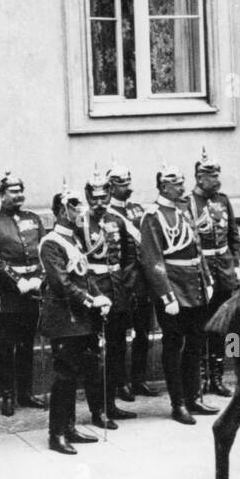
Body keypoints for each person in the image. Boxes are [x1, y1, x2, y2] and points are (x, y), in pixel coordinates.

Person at [140, 164, 217, 424]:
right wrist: (166, 295)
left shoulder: (185, 209)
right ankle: (178, 403)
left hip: (195, 286)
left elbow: (197, 248)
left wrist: (206, 278)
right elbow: (153, 260)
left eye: (183, 182)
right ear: (163, 186)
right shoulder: (153, 215)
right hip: (173, 289)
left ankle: (194, 396)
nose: (182, 187)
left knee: (196, 343)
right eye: (176, 183)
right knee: (173, 346)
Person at [38, 189, 111, 453]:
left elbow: (86, 276)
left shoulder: (75, 240)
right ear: (60, 211)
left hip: (79, 317)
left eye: (80, 205)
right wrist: (91, 301)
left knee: (74, 374)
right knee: (63, 376)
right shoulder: (51, 243)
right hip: (63, 318)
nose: (80, 210)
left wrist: (100, 297)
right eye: (73, 206)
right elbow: (61, 283)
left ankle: (69, 427)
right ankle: (56, 433)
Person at [0, 172, 46, 416]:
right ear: (1, 195)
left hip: (33, 293)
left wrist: (39, 278)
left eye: (20, 189)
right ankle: (8, 395)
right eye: (12, 190)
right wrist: (17, 281)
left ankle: (26, 393)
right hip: (9, 295)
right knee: (7, 346)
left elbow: (44, 250)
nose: (18, 194)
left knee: (27, 344)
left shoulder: (34, 219)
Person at [81, 172, 137, 428]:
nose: (100, 203)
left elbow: (127, 257)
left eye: (104, 197)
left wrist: (125, 286)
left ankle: (112, 403)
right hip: (95, 293)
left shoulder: (117, 220)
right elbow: (80, 263)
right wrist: (94, 294)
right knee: (95, 354)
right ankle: (98, 409)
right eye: (95, 198)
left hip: (117, 291)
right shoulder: (81, 224)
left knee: (116, 349)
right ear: (87, 197)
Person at [187, 149, 240, 398]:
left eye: (218, 175)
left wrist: (237, 265)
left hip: (225, 270)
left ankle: (220, 376)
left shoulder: (223, 200)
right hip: (202, 272)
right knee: (201, 326)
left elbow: (233, 236)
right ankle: (199, 378)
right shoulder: (188, 203)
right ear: (200, 178)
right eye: (212, 176)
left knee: (225, 325)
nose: (217, 180)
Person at [105, 164, 158, 398]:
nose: (128, 188)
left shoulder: (138, 210)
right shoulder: (106, 215)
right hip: (122, 283)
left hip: (143, 283)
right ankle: (120, 381)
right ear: (111, 187)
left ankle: (139, 378)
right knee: (117, 337)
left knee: (143, 334)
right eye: (122, 184)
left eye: (128, 182)